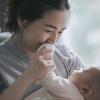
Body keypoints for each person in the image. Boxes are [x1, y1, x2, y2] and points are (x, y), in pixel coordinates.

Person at [0, 0, 85, 99]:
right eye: (48, 30)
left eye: (60, 32)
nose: (54, 40)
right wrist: (29, 76)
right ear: (22, 21)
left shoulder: (67, 57)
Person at [25, 67, 100, 100]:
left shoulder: (70, 89)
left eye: (83, 70)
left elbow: (49, 80)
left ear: (85, 90)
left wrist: (46, 65)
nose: (79, 68)